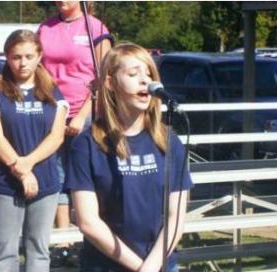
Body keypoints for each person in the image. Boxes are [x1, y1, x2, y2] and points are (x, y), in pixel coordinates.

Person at [65, 43, 193, 272]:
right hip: (105, 266)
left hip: (161, 264)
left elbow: (176, 217)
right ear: (110, 82)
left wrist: (152, 267)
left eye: (149, 73)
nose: (145, 81)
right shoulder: (86, 145)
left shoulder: (169, 141)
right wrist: (140, 268)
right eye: (134, 74)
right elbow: (88, 222)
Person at [0, 29, 68, 272]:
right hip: (4, 183)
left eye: (29, 56)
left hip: (45, 182)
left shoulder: (52, 91)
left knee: (38, 251)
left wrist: (28, 163)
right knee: (3, 253)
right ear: (7, 57)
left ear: (39, 56)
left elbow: (57, 136)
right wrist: (21, 171)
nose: (23, 63)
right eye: (16, 56)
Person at [38, 1, 112, 265]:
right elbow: (38, 70)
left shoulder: (95, 28)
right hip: (53, 109)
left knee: (86, 176)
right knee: (56, 174)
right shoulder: (45, 28)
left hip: (86, 112)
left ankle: (94, 238)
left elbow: (105, 76)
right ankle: (63, 241)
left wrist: (83, 114)